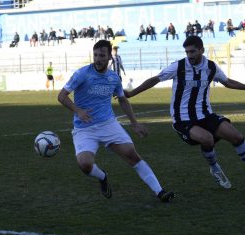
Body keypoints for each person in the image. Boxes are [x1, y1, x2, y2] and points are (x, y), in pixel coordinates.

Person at [124, 36, 245, 189]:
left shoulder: (211, 67)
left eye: (193, 51)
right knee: (207, 139)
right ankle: (215, 168)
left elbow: (228, 82)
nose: (190, 55)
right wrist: (132, 93)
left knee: (236, 137)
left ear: (201, 50)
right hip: (182, 119)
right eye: (187, 52)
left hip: (206, 115)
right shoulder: (178, 66)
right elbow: (155, 79)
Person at [57, 40, 174, 202]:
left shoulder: (114, 78)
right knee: (85, 165)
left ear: (109, 57)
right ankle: (102, 176)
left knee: (132, 155)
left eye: (102, 55)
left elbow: (123, 100)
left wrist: (135, 123)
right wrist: (78, 111)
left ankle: (160, 192)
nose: (98, 59)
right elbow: (61, 96)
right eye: (96, 55)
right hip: (84, 128)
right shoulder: (82, 74)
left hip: (108, 125)